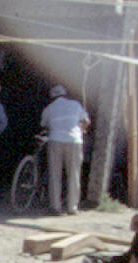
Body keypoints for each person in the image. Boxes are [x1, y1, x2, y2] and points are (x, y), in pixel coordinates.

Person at [40, 84, 90, 215]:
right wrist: (80, 131)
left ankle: (55, 207)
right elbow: (86, 121)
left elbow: (44, 126)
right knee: (74, 174)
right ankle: (72, 207)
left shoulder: (49, 108)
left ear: (52, 97)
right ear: (65, 95)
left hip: (56, 140)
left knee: (55, 174)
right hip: (74, 140)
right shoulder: (75, 104)